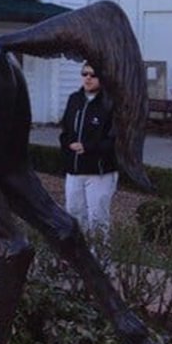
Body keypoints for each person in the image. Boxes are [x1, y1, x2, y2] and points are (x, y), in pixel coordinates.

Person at [59, 62, 118, 236]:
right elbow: (65, 130)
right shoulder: (74, 99)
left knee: (98, 218)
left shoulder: (110, 103)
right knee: (74, 215)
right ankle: (78, 257)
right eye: (84, 74)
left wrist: (88, 148)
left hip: (99, 172)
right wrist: (68, 144)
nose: (88, 78)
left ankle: (99, 259)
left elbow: (116, 140)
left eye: (93, 75)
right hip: (74, 171)